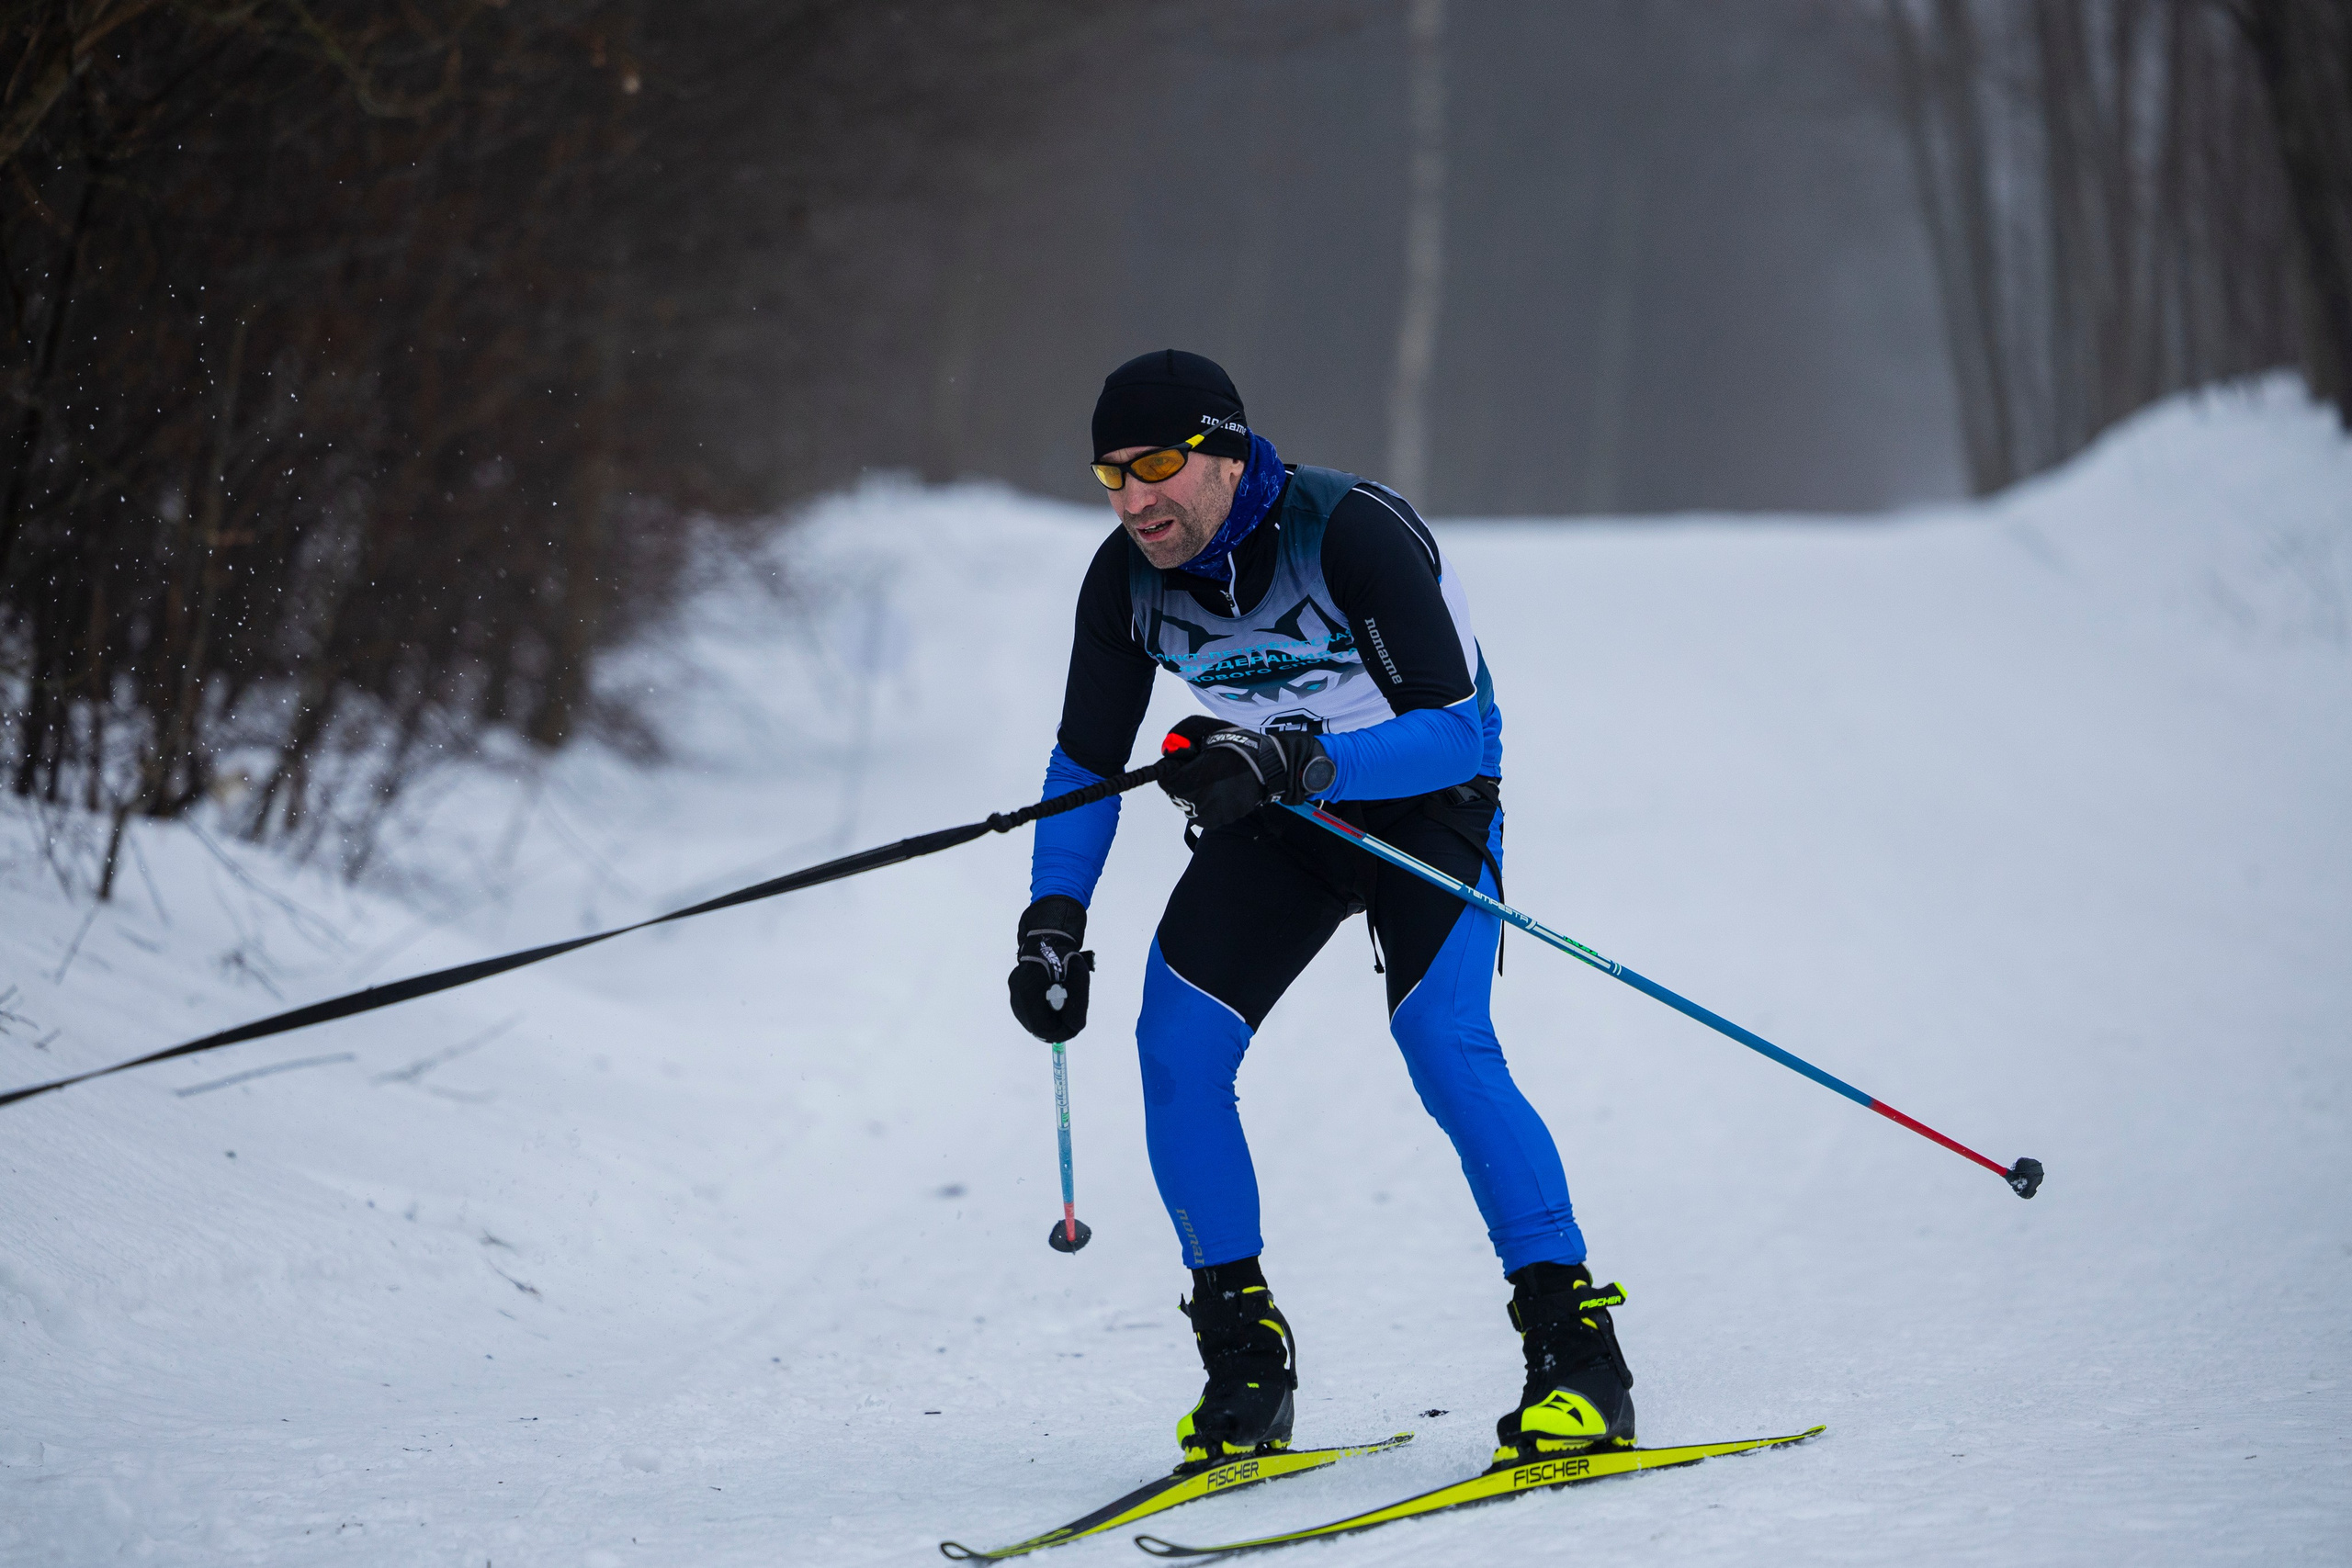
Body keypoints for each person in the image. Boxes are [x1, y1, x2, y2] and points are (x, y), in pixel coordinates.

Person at [1005, 350, 1633, 1472]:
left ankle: (1575, 1349)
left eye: (1157, 464)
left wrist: (1298, 760)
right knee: (1175, 1047)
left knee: (1442, 1044)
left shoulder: (1344, 532)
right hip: (1280, 806)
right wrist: (1052, 920)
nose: (1134, 498)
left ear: (1225, 450)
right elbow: (1082, 764)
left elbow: (1451, 726)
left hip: (1425, 796)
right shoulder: (1124, 582)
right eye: (1110, 474)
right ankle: (1245, 1358)